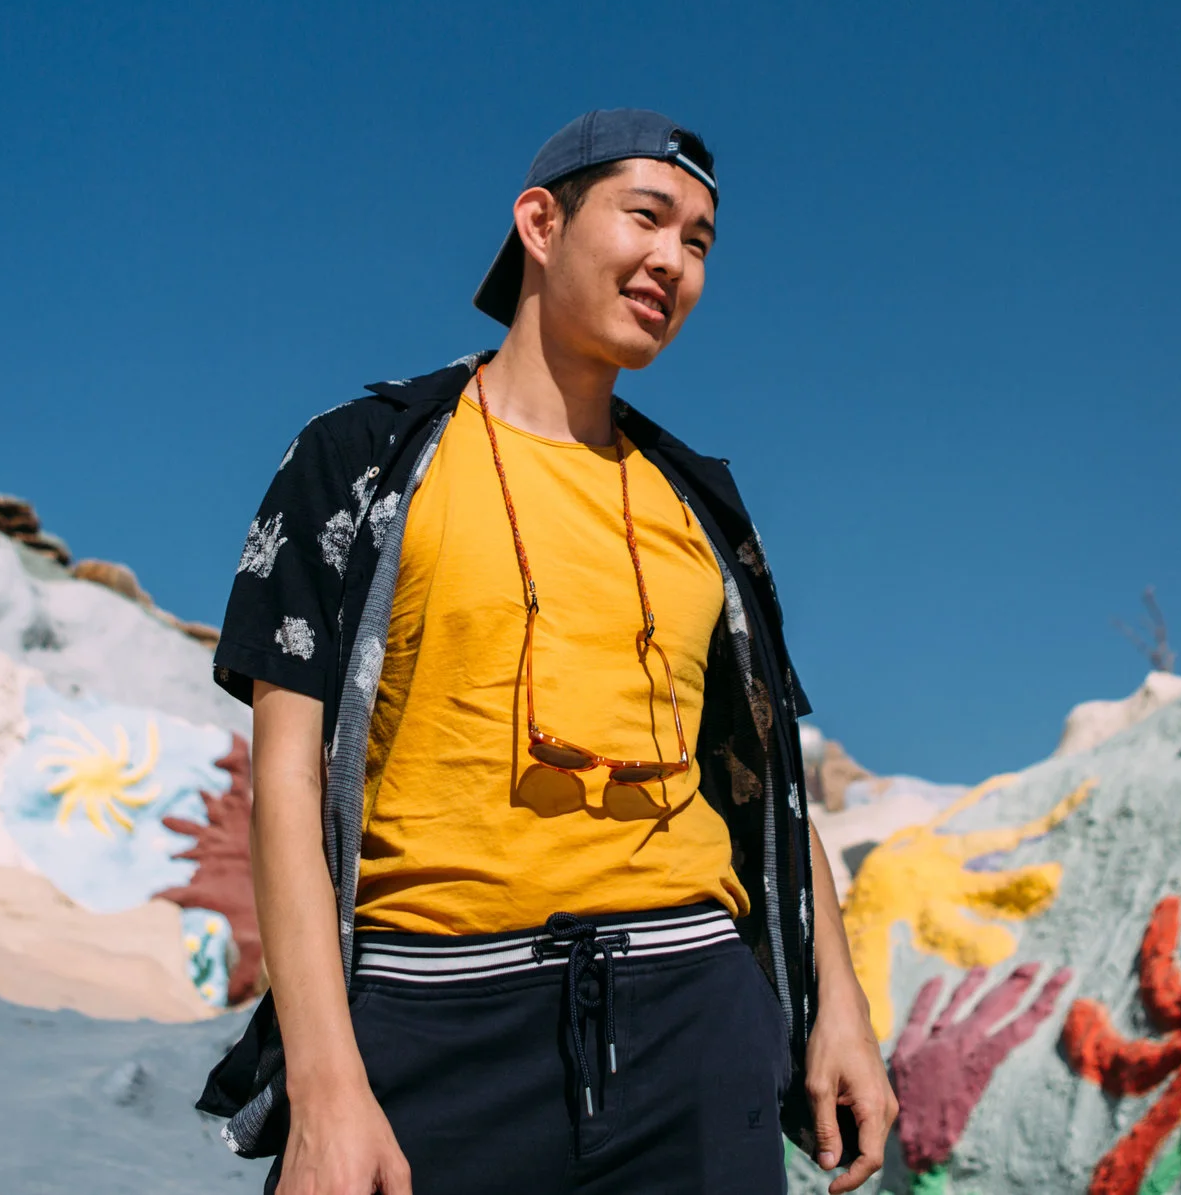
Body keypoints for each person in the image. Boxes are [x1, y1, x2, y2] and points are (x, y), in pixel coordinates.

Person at [198, 110, 895, 1195]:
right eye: (647, 217)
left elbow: (763, 779)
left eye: (700, 241)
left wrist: (835, 1004)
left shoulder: (699, 501)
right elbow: (283, 777)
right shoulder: (364, 459)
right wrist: (328, 1084)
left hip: (692, 1010)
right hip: (432, 1019)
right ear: (540, 221)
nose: (673, 259)